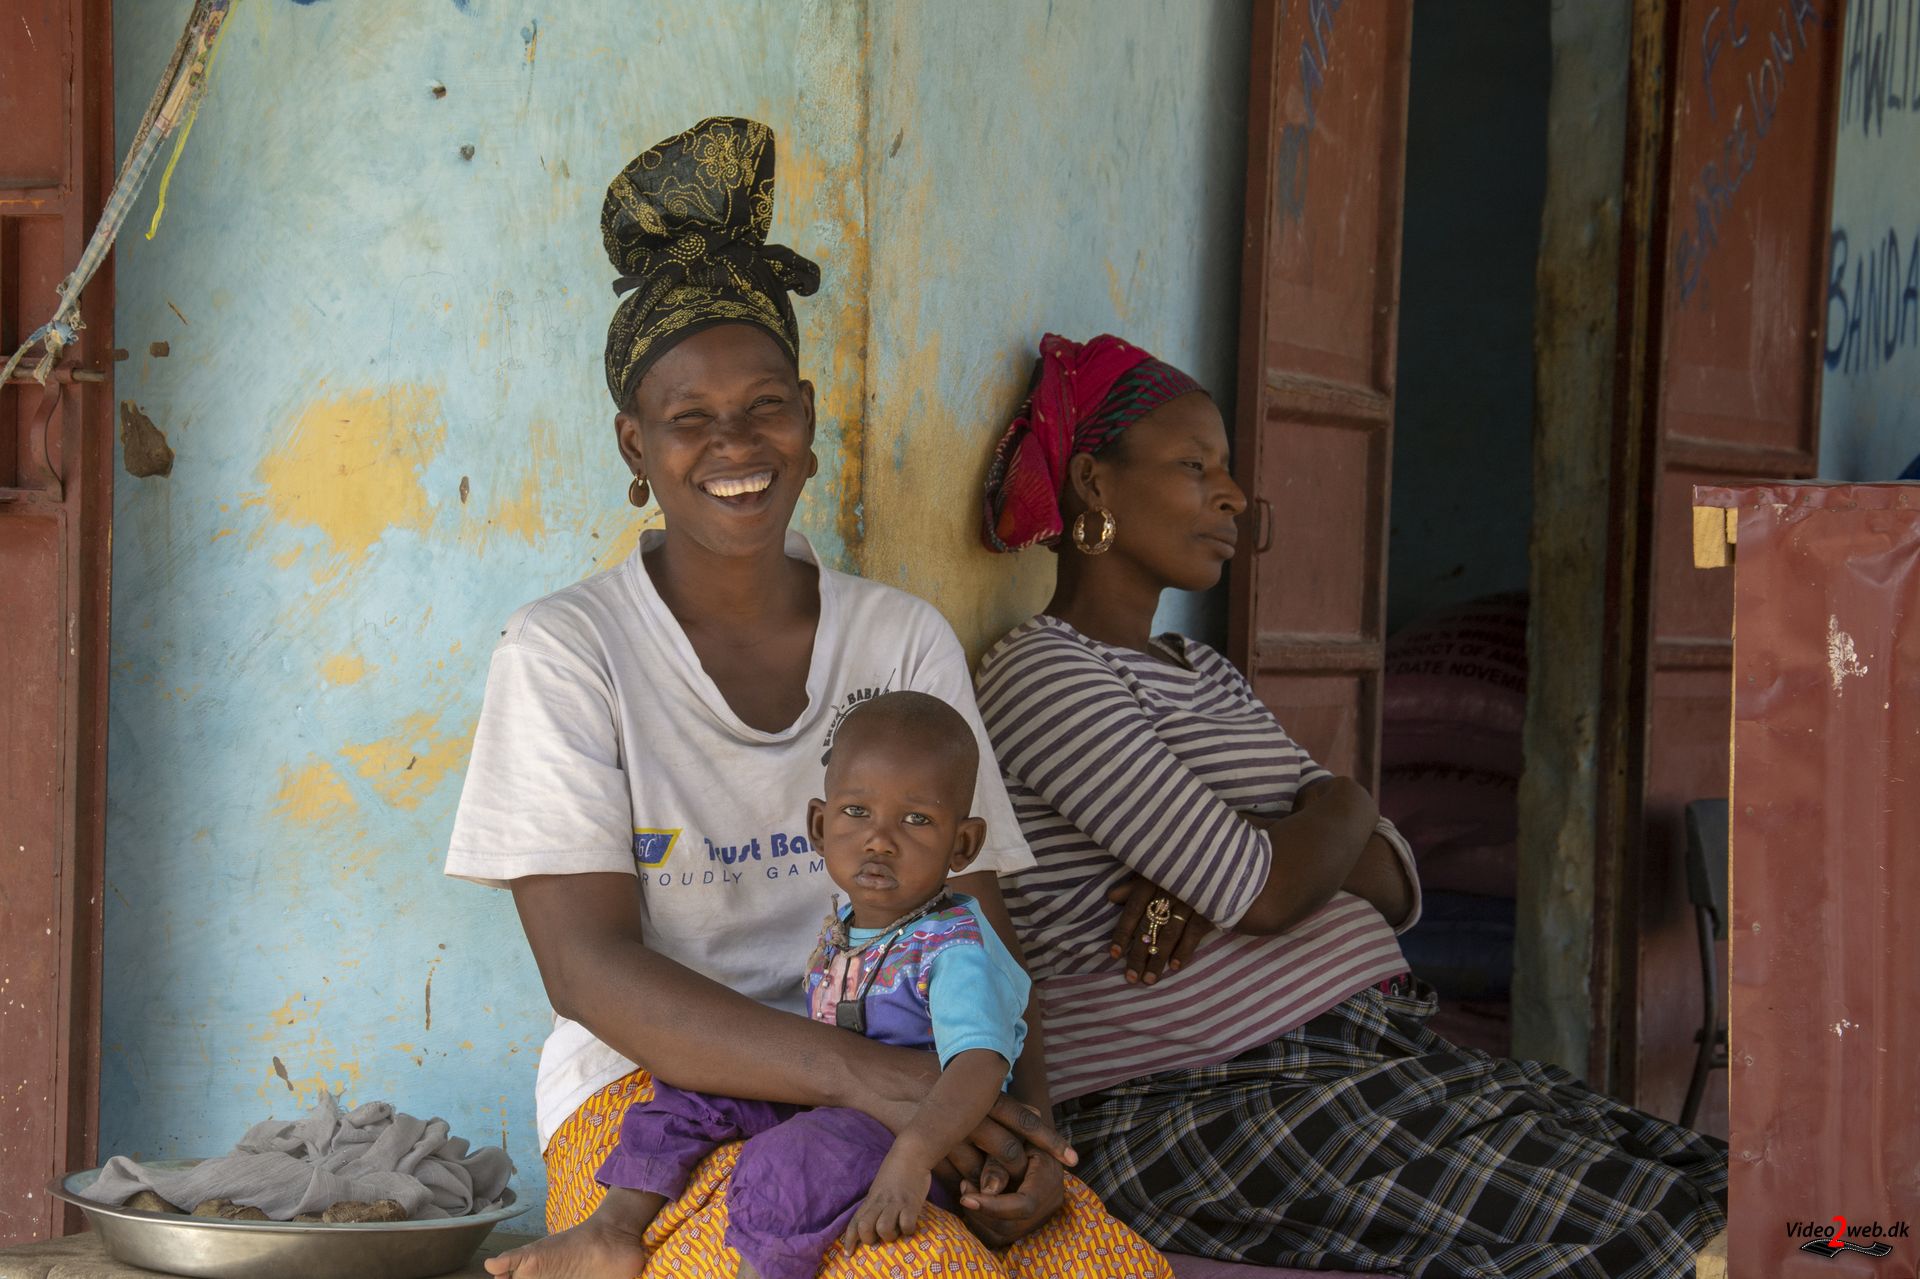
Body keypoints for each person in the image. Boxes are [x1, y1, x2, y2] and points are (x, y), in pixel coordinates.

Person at [445, 123, 1168, 1279]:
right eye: (688, 417)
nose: (734, 443)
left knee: (1110, 1269)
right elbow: (586, 968)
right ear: (633, 445)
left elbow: (977, 928)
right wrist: (864, 1077)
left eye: (765, 405)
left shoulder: (900, 639)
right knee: (919, 1270)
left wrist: (1022, 1132)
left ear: (810, 416)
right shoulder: (566, 652)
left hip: (912, 1086)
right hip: (651, 1110)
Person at [973, 332, 1730, 1279]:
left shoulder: (1203, 671)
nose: (1234, 497)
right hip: (1204, 1099)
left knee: (1733, 1187)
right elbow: (1270, 892)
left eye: (1228, 469)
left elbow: (1395, 877)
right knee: (1676, 1233)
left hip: (1368, 1062)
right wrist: (1323, 819)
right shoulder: (1045, 672)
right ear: (1094, 481)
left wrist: (1313, 820)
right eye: (1194, 466)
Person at [497, 691, 1039, 1279]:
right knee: (692, 1093)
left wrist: (911, 1160)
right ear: (819, 826)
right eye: (857, 811)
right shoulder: (852, 924)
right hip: (841, 1094)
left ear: (964, 844)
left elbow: (982, 1065)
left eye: (916, 820)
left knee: (791, 1160)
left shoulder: (955, 950)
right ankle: (613, 1230)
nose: (880, 839)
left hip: (925, 1133)